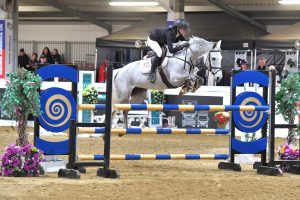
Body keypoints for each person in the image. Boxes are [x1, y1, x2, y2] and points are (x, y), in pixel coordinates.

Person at [147, 19, 190, 83]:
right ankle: (151, 73)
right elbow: (171, 50)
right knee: (159, 53)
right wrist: (181, 46)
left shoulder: (177, 33)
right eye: (184, 29)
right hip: (152, 40)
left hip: (160, 41)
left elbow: (180, 41)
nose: (185, 31)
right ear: (178, 28)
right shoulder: (169, 33)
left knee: (163, 51)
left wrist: (187, 44)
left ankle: (154, 55)